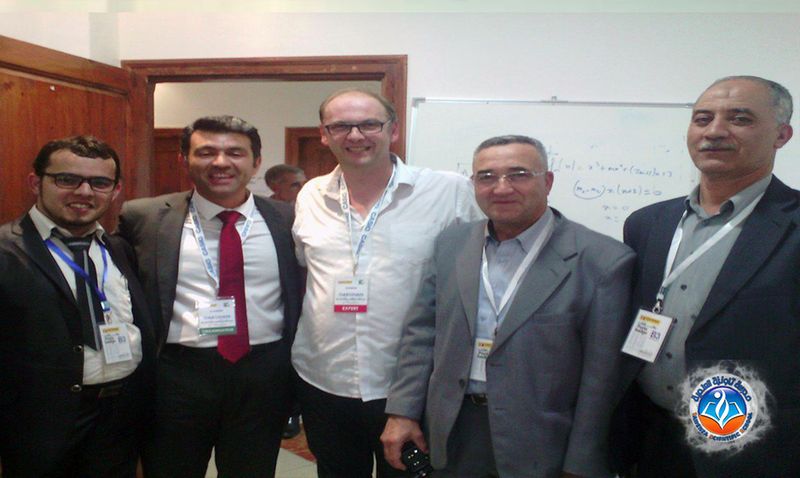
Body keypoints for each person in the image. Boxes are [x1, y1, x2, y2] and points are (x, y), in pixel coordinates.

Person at [382, 135, 636, 477]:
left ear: (547, 182)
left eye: (518, 174)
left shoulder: (602, 261)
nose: (501, 188)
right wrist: (403, 411)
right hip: (452, 430)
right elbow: (422, 333)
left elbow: (600, 379)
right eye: (486, 177)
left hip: (543, 441)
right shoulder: (452, 244)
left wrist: (581, 462)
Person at [291, 88, 482, 477]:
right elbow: (305, 268)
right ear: (324, 134)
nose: (355, 135)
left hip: (411, 386)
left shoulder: (447, 191)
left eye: (369, 124)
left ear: (393, 130)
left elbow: (478, 276)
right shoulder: (310, 195)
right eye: (341, 126)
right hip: (323, 379)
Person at [613, 76, 798, 477]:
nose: (714, 131)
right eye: (702, 118)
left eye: (740, 119)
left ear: (781, 135)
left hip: (755, 448)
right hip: (651, 436)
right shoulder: (647, 223)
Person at [118, 116, 303, 477]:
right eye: (206, 152)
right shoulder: (144, 217)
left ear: (256, 162)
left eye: (235, 152)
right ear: (184, 160)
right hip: (177, 377)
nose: (221, 162)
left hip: (263, 375)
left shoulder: (288, 218)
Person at [0, 136, 155, 477]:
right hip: (39, 425)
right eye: (67, 179)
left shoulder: (119, 249)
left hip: (120, 417)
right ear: (35, 182)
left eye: (99, 182)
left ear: (115, 190)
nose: (84, 192)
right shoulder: (6, 250)